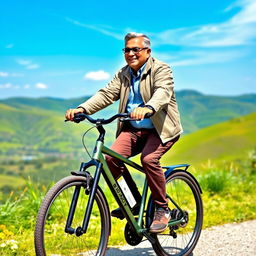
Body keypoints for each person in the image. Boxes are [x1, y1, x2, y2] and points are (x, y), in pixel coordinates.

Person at [65, 32, 183, 233]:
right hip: (133, 129)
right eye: (126, 50)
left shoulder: (161, 69)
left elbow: (163, 92)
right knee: (110, 160)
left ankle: (162, 209)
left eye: (135, 49)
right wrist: (82, 109)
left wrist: (148, 108)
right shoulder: (124, 74)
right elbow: (106, 94)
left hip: (160, 129)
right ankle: (133, 202)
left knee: (149, 160)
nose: (130, 53)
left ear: (147, 51)